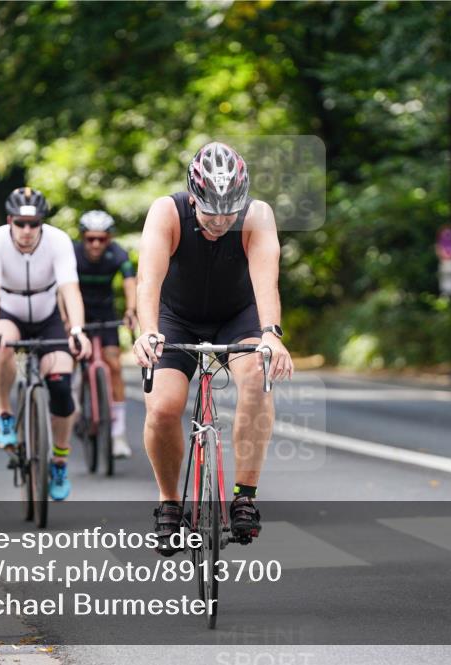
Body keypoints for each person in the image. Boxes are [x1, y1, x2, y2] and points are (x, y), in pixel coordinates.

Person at [132, 142, 293, 555]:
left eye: (229, 211)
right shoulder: (166, 212)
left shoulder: (256, 216)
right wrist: (148, 330)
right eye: (210, 211)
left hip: (237, 316)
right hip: (176, 318)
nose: (222, 221)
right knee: (164, 406)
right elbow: (148, 280)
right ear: (192, 196)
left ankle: (244, 496)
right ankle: (170, 505)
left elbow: (265, 281)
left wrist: (272, 335)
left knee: (257, 376)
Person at [0, 186, 91, 501]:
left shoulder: (58, 241)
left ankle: (59, 461)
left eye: (34, 224)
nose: (27, 231)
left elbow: (71, 290)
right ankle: (4, 415)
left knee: (61, 386)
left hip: (47, 315)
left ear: (42, 223)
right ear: (10, 220)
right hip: (9, 311)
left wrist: (78, 330)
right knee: (3, 345)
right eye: (20, 223)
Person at [70, 210, 138, 459]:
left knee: (114, 366)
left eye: (101, 238)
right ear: (82, 237)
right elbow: (62, 286)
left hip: (106, 314)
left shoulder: (117, 253)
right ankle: (76, 407)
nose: (96, 244)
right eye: (90, 239)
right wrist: (66, 319)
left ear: (109, 238)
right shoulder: (72, 255)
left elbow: (131, 282)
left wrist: (131, 310)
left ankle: (118, 435)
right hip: (79, 315)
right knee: (71, 362)